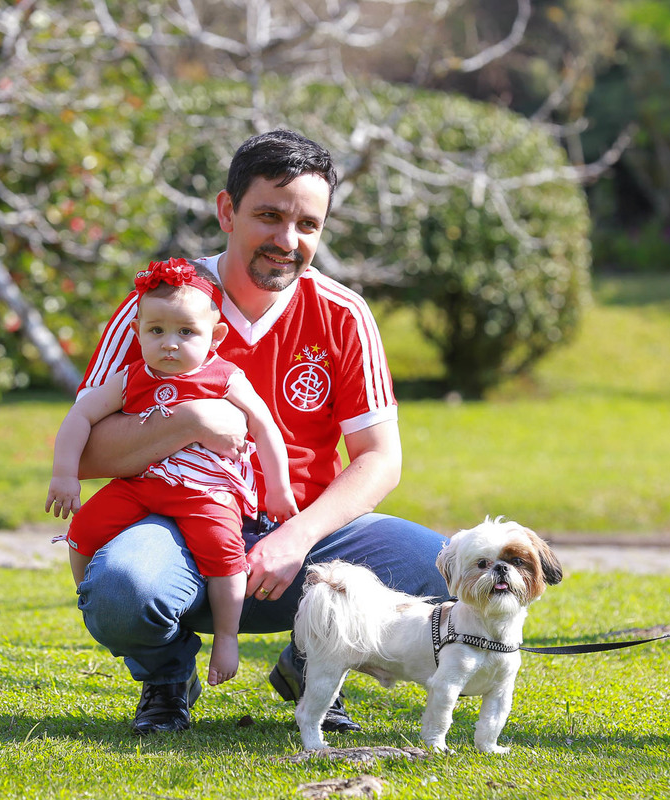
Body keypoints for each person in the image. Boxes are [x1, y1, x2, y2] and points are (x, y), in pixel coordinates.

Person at [71, 128, 451, 735]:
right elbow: (85, 452)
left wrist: (294, 537)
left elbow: (380, 459)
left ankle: (312, 662)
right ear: (227, 211)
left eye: (307, 224)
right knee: (120, 586)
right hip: (177, 526)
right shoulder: (161, 307)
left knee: (443, 565)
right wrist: (189, 421)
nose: (287, 240)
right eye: (269, 216)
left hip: (303, 533)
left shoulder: (343, 314)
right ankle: (167, 681)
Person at [46, 258, 298, 687]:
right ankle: (88, 596)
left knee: (224, 557)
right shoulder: (131, 378)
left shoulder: (224, 377)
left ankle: (226, 636)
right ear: (137, 332)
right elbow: (80, 416)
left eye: (186, 332)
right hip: (142, 486)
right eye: (156, 330)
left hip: (208, 491)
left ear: (215, 336)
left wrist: (278, 489)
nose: (169, 344)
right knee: (84, 527)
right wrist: (64, 474)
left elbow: (265, 426)